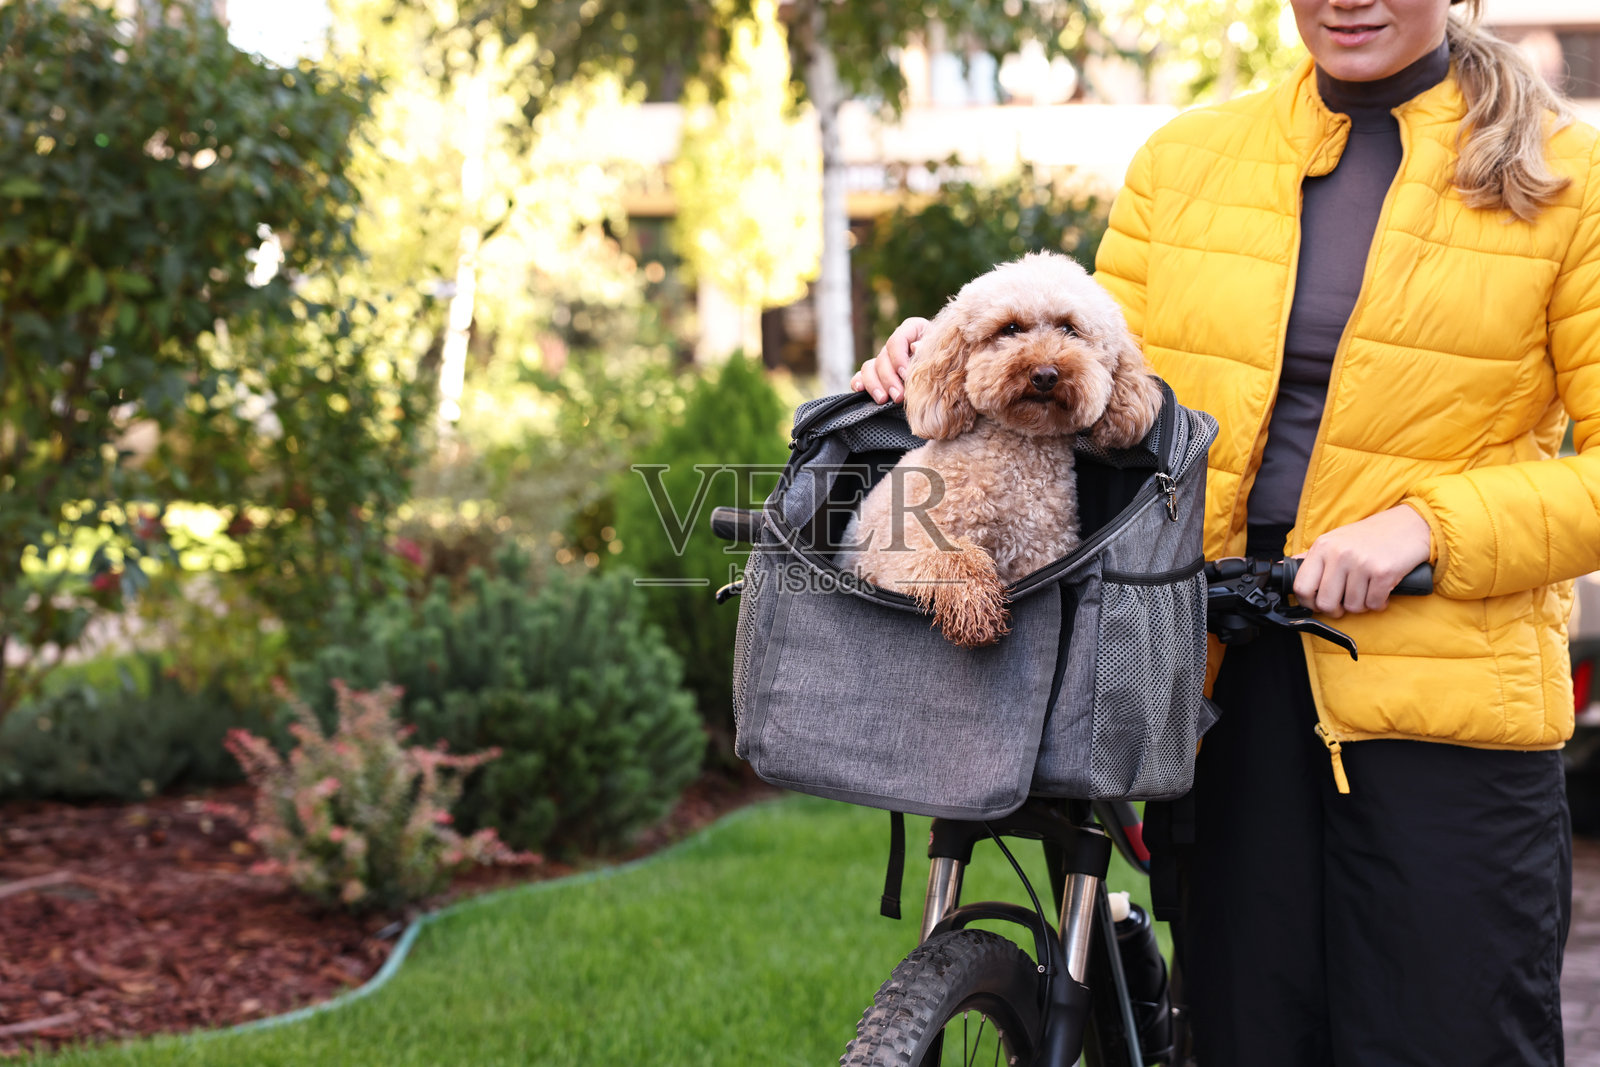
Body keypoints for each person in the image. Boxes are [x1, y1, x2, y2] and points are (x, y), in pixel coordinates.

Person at [855, 0, 1600, 1062]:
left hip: (1450, 705)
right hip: (1215, 676)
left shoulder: (1568, 179)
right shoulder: (1186, 161)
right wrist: (938, 355)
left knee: (1449, 1038)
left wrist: (1424, 527)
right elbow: (1099, 389)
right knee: (1249, 1034)